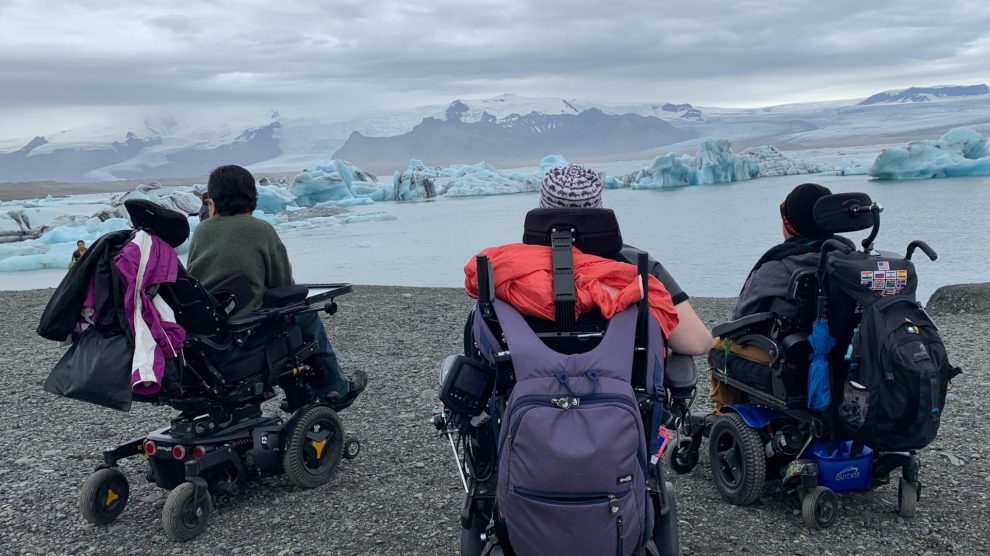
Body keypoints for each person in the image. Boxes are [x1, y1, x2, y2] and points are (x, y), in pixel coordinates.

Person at [187, 164, 366, 410]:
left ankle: (301, 391)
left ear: (213, 201)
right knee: (306, 318)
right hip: (245, 333)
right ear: (253, 198)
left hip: (210, 338)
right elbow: (282, 285)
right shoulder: (261, 229)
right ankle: (336, 388)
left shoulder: (201, 231)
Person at [538, 164, 713, 356]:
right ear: (599, 210)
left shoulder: (509, 267)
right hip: (623, 382)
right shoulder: (639, 266)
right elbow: (696, 342)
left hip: (531, 382)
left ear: (541, 211)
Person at [732, 183, 855, 319]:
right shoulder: (852, 261)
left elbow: (741, 315)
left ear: (789, 224)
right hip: (849, 338)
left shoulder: (773, 270)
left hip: (790, 339)